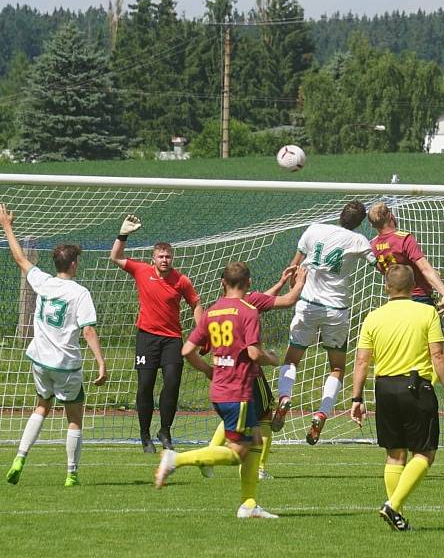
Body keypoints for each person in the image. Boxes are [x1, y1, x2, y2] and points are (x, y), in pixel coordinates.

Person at [155, 262, 280, 519]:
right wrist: (272, 358)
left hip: (220, 390)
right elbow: (254, 353)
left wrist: (208, 370)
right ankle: (174, 460)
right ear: (247, 283)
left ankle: (249, 505)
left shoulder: (211, 311)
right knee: (237, 454)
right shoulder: (248, 311)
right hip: (239, 392)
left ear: (223, 283)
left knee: (255, 440)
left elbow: (187, 351)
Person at [0, 203, 107, 487]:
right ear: (73, 264)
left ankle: (20, 456)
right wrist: (101, 362)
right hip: (66, 365)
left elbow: (20, 259)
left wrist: (7, 225)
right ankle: (71, 474)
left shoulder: (43, 281)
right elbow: (89, 331)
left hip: (39, 361)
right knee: (74, 419)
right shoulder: (80, 293)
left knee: (41, 408)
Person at [350, 264, 444, 532]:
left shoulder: (373, 317)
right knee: (425, 452)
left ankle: (397, 515)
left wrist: (356, 398)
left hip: (384, 388)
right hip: (416, 387)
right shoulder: (426, 312)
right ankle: (393, 505)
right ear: (413, 287)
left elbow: (362, 361)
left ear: (387, 287)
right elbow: (438, 355)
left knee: (394, 454)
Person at [272, 200, 377, 445]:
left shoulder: (313, 229)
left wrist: (293, 290)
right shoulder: (359, 240)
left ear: (340, 215)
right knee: (337, 368)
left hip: (307, 304)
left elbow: (293, 267)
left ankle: (285, 397)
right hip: (336, 310)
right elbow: (379, 266)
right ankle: (321, 413)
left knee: (292, 359)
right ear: (360, 223)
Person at [199, 265, 307, 481]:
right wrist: (302, 281)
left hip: (224, 371)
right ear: (247, 282)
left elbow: (261, 299)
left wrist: (279, 283)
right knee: (265, 416)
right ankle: (256, 468)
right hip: (249, 372)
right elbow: (287, 301)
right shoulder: (248, 303)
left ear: (224, 283)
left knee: (237, 414)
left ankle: (210, 456)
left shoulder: (218, 307)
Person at [110, 215, 202, 452]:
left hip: (172, 339)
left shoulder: (181, 280)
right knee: (145, 385)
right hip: (146, 337)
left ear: (173, 258)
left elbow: (196, 304)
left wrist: (201, 332)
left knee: (171, 384)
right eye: (160, 256)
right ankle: (144, 435)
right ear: (153, 258)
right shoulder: (141, 271)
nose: (164, 260)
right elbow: (116, 257)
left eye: (168, 256)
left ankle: (165, 431)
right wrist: (123, 234)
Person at [367, 202, 444, 316]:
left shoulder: (373, 245)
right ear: (390, 215)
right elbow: (424, 269)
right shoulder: (403, 239)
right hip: (419, 297)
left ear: (372, 225)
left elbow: (386, 270)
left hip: (395, 300)